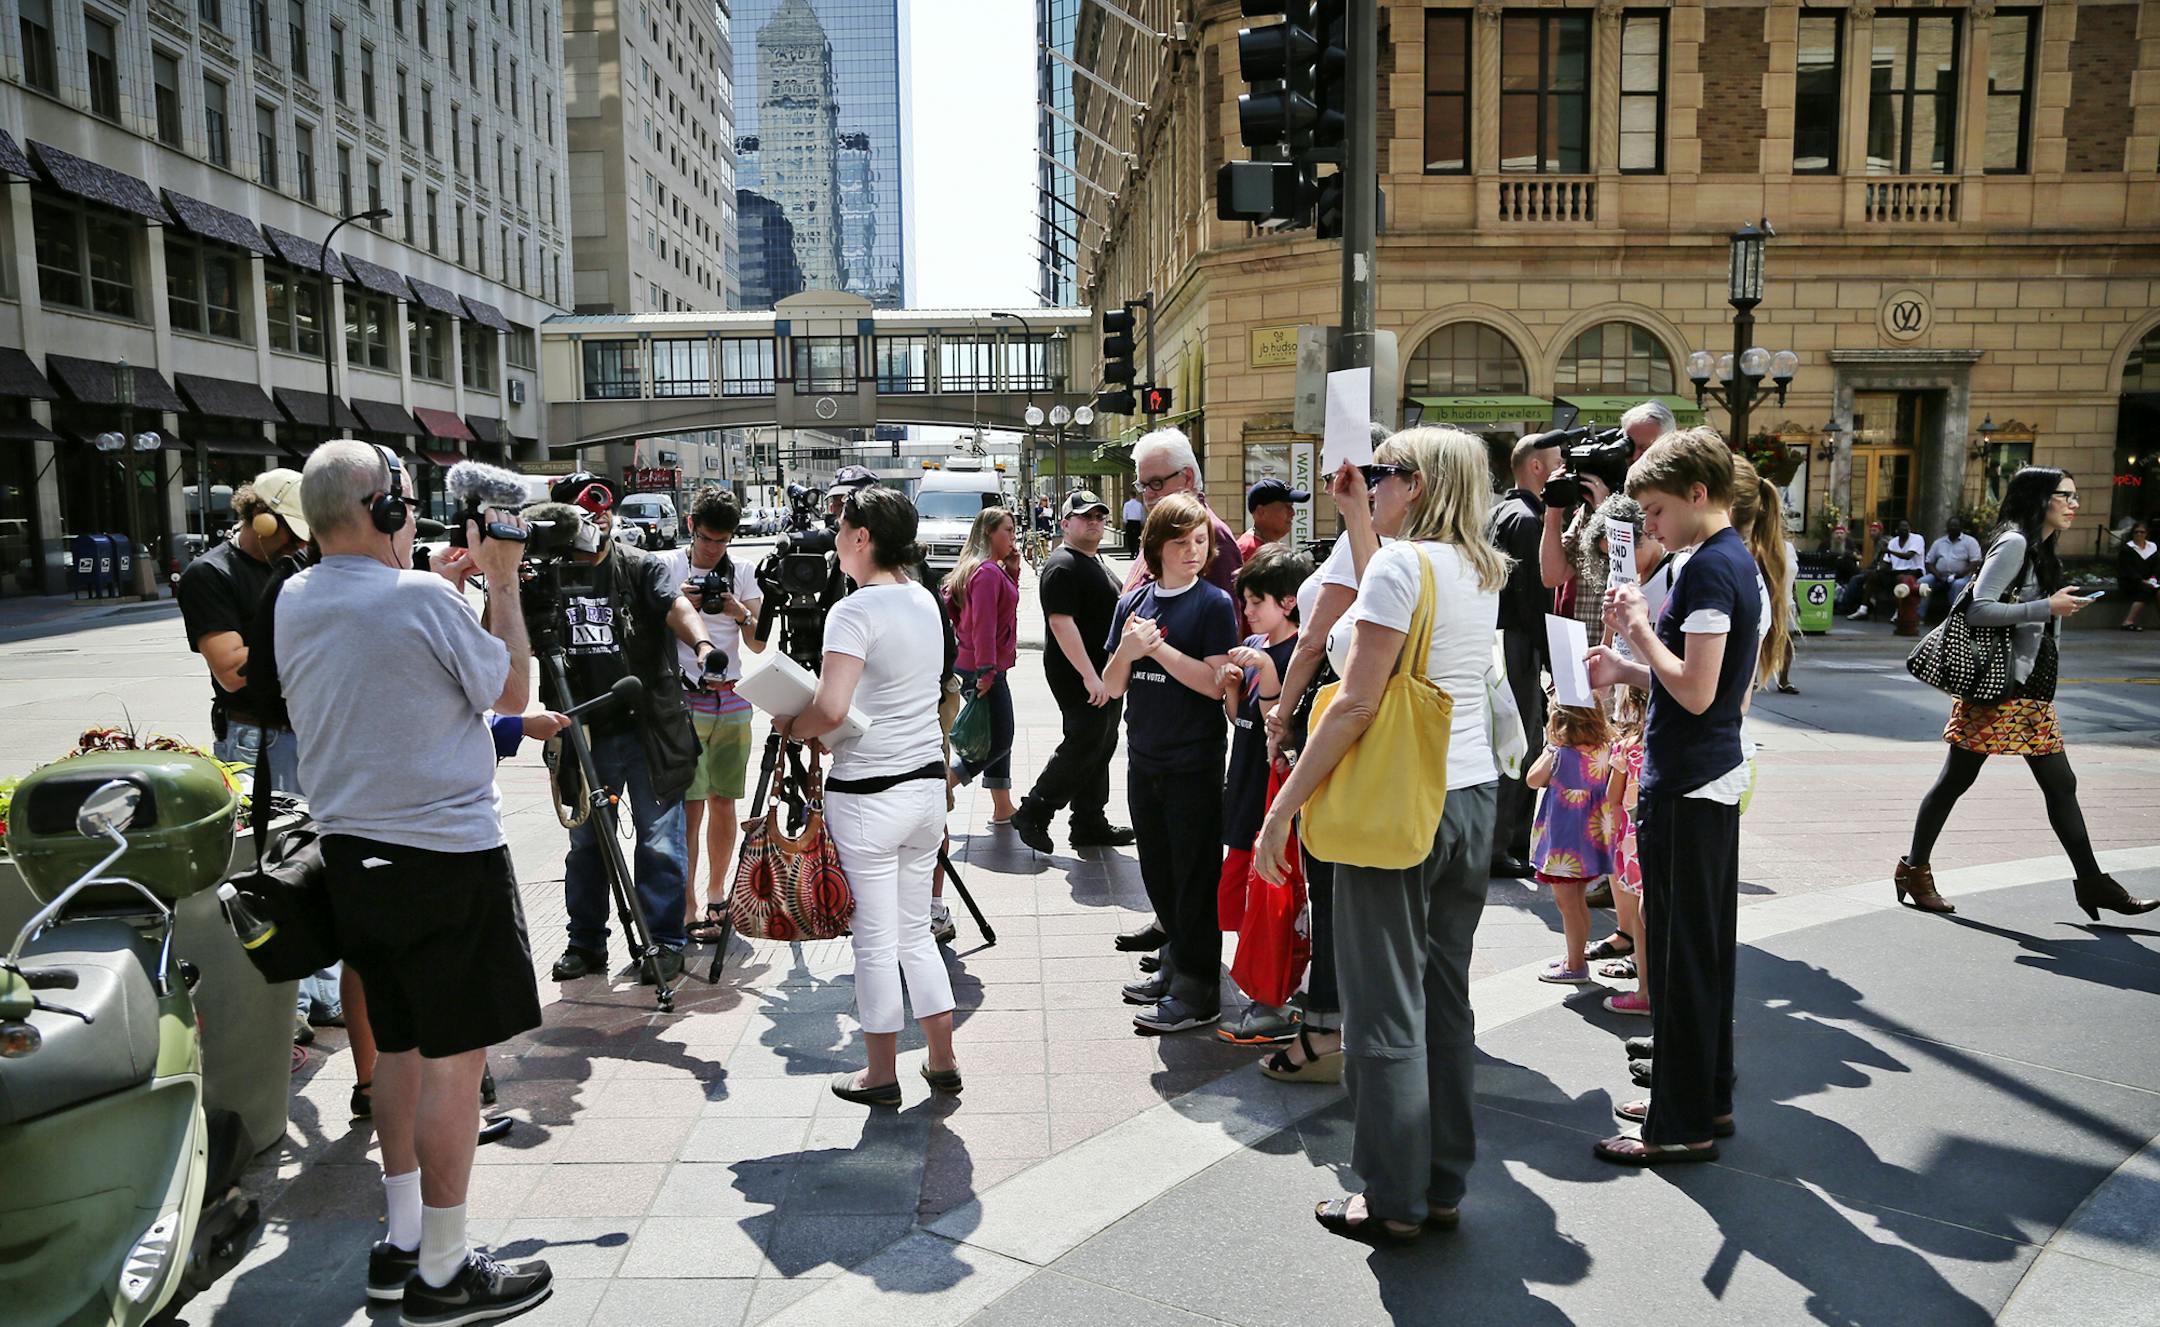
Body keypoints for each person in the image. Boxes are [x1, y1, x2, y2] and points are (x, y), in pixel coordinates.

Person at [274, 441, 553, 1321]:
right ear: (386, 508)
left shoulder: (294, 596)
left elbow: (374, 609)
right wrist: (501, 582)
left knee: (394, 1048)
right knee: (454, 1064)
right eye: (402, 499)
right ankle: (444, 1270)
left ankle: (401, 1242)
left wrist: (432, 572)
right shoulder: (425, 598)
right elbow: (511, 690)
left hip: (354, 859)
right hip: (446, 857)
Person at [1250, 426, 1505, 1242]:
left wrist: (1284, 805)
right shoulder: (1479, 567)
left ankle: (1389, 1195)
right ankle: (1439, 1182)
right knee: (1443, 997)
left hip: (1400, 805)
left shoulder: (1402, 564)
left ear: (1418, 484)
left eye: (1383, 474)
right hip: (1469, 797)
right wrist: (1361, 514)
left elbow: (1358, 703)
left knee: (1382, 1007)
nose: (1373, 485)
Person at [1584, 427, 1763, 1166]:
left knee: (1686, 957)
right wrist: (1628, 671)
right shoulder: (1727, 559)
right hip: (1704, 774)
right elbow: (1703, 683)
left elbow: (1694, 687)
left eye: (1655, 511)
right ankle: (1702, 1095)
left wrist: (1633, 633)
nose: (1649, 527)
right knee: (1702, 951)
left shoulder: (1708, 568)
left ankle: (1682, 1119)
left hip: (1689, 779)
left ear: (1697, 494)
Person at [1895, 468, 2157, 920]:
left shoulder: (2037, 547)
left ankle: (2091, 880)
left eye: (2076, 496)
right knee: (1956, 780)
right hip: (1999, 689)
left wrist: (2054, 609)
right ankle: (1914, 869)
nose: (2074, 504)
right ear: (2040, 498)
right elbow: (1977, 608)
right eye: (2065, 496)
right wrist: (2045, 606)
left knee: (2060, 785)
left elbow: (2020, 614)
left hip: (2027, 690)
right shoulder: (2015, 543)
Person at [775, 486, 962, 1107]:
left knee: (875, 940)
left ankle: (881, 1072)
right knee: (914, 932)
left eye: (840, 529)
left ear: (862, 538)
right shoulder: (924, 600)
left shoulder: (853, 611)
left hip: (868, 795)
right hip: (925, 787)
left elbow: (830, 708)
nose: (834, 540)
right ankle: (942, 1058)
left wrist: (793, 726)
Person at [1258, 425, 1397, 1083]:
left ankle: (1327, 1028)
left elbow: (1314, 640)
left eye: (1331, 464)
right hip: (1361, 727)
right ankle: (1337, 1022)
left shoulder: (1369, 546)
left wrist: (1281, 718)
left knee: (1335, 879)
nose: (1323, 475)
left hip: (1339, 723)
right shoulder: (1380, 542)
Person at [543, 473, 714, 987]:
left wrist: (704, 646)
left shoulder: (642, 566)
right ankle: (586, 944)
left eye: (601, 514)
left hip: (647, 729)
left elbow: (675, 605)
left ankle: (663, 942)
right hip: (582, 730)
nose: (595, 523)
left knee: (660, 840)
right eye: (582, 516)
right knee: (586, 845)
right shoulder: (544, 576)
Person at [1105, 493, 1240, 1034]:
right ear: (1156, 545)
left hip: (1194, 761)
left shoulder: (1212, 604)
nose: (1192, 551)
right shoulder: (1132, 602)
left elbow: (1213, 685)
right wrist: (1130, 650)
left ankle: (1199, 985)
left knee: (1194, 875)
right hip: (1144, 758)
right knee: (1158, 873)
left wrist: (1155, 650)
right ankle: (1174, 964)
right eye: (1181, 542)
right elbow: (1111, 685)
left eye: (1200, 541)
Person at [657, 487, 766, 944]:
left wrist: (738, 610)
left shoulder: (742, 573)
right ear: (690, 526)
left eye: (722, 540)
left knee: (725, 802)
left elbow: (759, 642)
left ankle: (717, 893)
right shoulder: (667, 569)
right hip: (685, 699)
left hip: (733, 700)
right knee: (691, 806)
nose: (713, 549)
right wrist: (676, 604)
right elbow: (646, 632)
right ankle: (687, 904)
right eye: (706, 539)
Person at [1214, 545, 1310, 1046]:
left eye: (1256, 602)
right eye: (1245, 602)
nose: (1247, 612)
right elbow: (1242, 720)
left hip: (1273, 792)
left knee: (1267, 898)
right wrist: (1233, 687)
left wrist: (1267, 677)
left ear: (1289, 602)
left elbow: (1281, 728)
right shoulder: (1255, 644)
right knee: (1236, 894)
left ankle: (1272, 997)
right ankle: (1261, 986)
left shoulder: (1298, 654)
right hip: (1246, 785)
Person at [1010, 491, 1135, 854]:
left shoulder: (1093, 560)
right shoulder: (1063, 564)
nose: (1093, 522)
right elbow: (1062, 624)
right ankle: (1035, 809)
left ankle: (1088, 821)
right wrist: (1089, 676)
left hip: (1104, 670)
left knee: (1103, 741)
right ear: (1065, 523)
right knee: (1085, 741)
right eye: (1084, 517)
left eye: (1098, 516)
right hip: (1080, 673)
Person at [1490, 432, 1564, 878]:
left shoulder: (1503, 510)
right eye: (1557, 463)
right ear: (1537, 467)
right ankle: (1505, 844)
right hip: (1519, 643)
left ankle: (1506, 842)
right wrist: (1552, 658)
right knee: (1520, 742)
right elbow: (1537, 599)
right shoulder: (1527, 519)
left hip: (1503, 641)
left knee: (1510, 740)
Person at [1541, 400, 1675, 639]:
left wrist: (1607, 513)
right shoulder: (1595, 501)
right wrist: (1554, 508)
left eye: (1644, 448)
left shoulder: (1669, 508)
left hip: (1631, 653)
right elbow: (1553, 575)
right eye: (1628, 445)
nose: (1633, 456)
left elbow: (1636, 569)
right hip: (1586, 649)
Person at [1528, 702, 1619, 987]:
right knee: (1578, 903)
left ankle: (1576, 965)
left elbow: (1532, 780)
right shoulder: (1604, 749)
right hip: (1589, 839)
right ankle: (1574, 955)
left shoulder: (1559, 754)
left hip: (1564, 842)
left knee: (1567, 904)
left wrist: (1548, 748)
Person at [943, 506, 1022, 823]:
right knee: (1001, 739)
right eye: (1008, 530)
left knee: (994, 735)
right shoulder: (987, 572)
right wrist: (987, 671)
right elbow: (984, 625)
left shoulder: (985, 568)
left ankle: (1003, 807)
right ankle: (944, 784)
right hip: (981, 667)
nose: (1013, 537)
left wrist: (1013, 571)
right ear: (989, 532)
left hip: (976, 664)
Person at [1126, 426, 1245, 620]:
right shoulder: (1161, 526)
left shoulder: (1212, 533)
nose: (1148, 494)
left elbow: (1226, 628)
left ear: (1187, 478)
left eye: (1156, 483)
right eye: (1142, 485)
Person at [1844, 518, 1925, 619]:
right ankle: (1863, 609)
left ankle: (1899, 612)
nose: (1904, 530)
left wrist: (1889, 551)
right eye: (1901, 528)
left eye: (1906, 528)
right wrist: (1878, 570)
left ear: (1910, 529)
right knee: (1873, 576)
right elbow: (1886, 563)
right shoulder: (1893, 542)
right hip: (1895, 571)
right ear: (1897, 530)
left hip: (1914, 571)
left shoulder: (1917, 539)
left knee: (1901, 578)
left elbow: (1908, 556)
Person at [1237, 477, 1310, 561]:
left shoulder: (1265, 547)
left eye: (1292, 506)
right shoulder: (1249, 551)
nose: (1293, 513)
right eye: (1287, 506)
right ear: (1261, 512)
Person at [1925, 516, 1985, 606]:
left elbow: (1975, 562)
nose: (1952, 528)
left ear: (1961, 527)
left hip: (1962, 576)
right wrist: (1937, 575)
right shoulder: (1939, 542)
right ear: (1947, 527)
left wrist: (1959, 575)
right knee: (1923, 582)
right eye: (1950, 526)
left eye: (1955, 526)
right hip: (1939, 576)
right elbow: (1929, 561)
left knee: (1958, 584)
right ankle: (1919, 616)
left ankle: (1953, 615)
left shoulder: (1970, 542)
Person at [2116, 521, 2156, 630]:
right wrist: (2142, 581)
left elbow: (2156, 566)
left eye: (2142, 532)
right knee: (2145, 590)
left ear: (2146, 533)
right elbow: (2126, 569)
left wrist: (2153, 578)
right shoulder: (2127, 549)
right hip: (2130, 581)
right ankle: (2128, 621)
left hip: (2150, 580)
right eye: (2136, 532)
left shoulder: (2152, 547)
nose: (2139, 534)